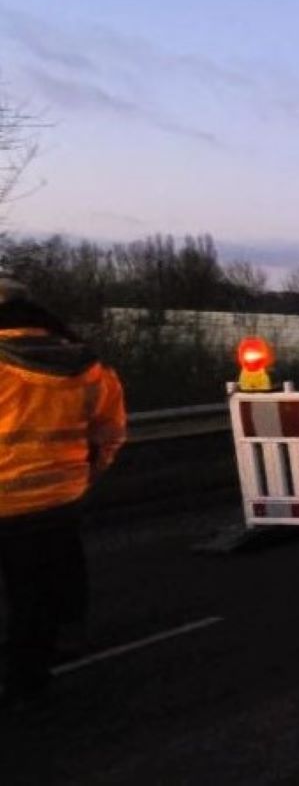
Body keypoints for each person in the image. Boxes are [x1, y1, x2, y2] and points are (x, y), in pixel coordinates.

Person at [0, 273, 126, 706]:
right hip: (57, 500)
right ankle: (28, 676)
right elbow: (110, 433)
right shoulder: (86, 366)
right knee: (33, 594)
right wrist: (82, 479)